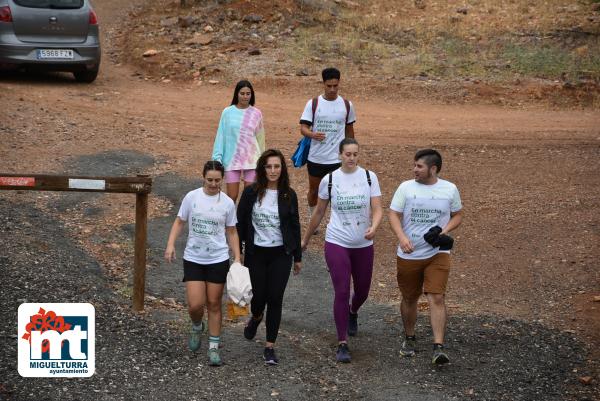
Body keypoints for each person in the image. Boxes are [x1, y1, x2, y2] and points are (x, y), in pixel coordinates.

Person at [302, 138, 382, 363]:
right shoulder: (329, 180)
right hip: (337, 241)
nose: (351, 158)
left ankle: (353, 312)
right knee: (342, 290)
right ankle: (342, 343)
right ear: (339, 155)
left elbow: (377, 209)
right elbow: (318, 212)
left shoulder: (369, 177)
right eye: (347, 154)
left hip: (363, 243)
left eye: (355, 154)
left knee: (363, 290)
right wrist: (305, 239)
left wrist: (374, 227)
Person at [388, 149, 463, 365]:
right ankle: (409, 337)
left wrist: (444, 231)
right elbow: (393, 214)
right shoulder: (406, 188)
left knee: (436, 297)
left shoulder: (449, 189)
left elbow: (458, 214)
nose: (414, 170)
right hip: (409, 253)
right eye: (414, 165)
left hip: (437, 252)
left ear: (433, 168)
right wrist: (402, 238)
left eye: (419, 166)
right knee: (410, 298)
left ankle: (438, 347)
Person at [164, 160, 241, 367]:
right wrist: (170, 244)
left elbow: (232, 231)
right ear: (203, 177)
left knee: (214, 303)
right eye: (210, 180)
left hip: (218, 258)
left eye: (217, 180)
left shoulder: (227, 203)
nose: (214, 184)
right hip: (194, 258)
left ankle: (214, 347)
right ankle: (197, 325)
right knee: (195, 304)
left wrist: (238, 257)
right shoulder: (192, 197)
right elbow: (180, 221)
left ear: (222, 179)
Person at [236, 149, 302, 365]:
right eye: (269, 166)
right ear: (262, 169)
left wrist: (298, 257)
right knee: (258, 297)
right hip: (256, 253)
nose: (273, 171)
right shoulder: (250, 193)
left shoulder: (288, 194)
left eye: (277, 166)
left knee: (275, 298)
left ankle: (270, 347)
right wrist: (238, 253)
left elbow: (294, 226)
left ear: (282, 169)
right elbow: (239, 223)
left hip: (281, 254)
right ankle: (255, 317)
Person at [299, 67, 356, 225]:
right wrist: (312, 134)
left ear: (339, 84)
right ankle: (313, 217)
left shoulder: (346, 105)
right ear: (323, 84)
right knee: (314, 191)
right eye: (329, 86)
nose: (332, 89)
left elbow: (349, 130)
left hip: (337, 159)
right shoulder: (313, 104)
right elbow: (303, 127)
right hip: (316, 157)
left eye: (335, 86)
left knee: (338, 192)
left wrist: (351, 153)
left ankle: (336, 221)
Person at [212, 80, 266, 202]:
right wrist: (217, 158)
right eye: (242, 93)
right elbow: (221, 135)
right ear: (237, 94)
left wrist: (263, 159)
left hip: (252, 159)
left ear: (252, 95)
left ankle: (244, 221)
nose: (245, 96)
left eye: (248, 93)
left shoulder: (256, 113)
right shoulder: (227, 112)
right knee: (232, 197)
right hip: (231, 159)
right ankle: (230, 221)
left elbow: (260, 138)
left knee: (249, 197)